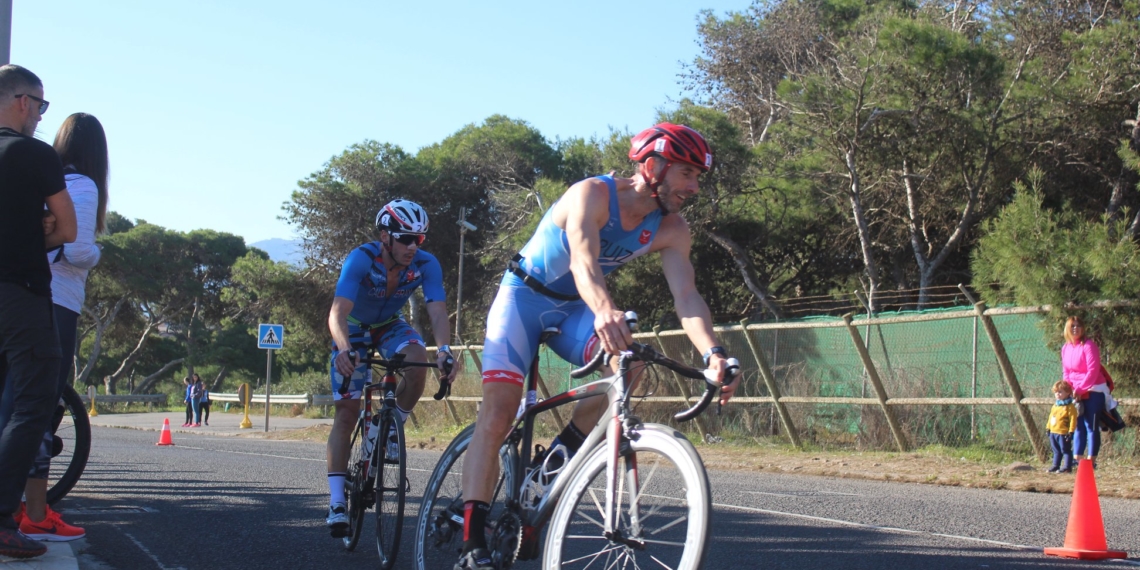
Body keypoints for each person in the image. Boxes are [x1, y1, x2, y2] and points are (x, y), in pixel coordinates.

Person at [454, 123, 739, 570]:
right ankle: (471, 544)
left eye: (698, 177)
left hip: (572, 309)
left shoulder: (672, 228)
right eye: (687, 174)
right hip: (524, 298)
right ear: (652, 166)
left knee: (628, 364)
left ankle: (554, 460)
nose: (694, 187)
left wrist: (713, 353)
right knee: (499, 412)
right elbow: (584, 260)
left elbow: (687, 297)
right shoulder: (591, 194)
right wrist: (606, 310)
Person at [324, 199, 457, 538]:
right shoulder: (361, 259)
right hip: (353, 328)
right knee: (346, 412)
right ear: (385, 236)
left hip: (388, 325)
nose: (414, 246)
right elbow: (337, 313)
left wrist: (444, 351)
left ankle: (391, 425)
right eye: (406, 238)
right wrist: (344, 350)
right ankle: (338, 501)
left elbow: (438, 313)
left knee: (417, 361)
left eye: (420, 239)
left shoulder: (426, 264)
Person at [9, 112, 109, 543]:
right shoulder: (82, 186)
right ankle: (31, 511)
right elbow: (78, 249)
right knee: (39, 410)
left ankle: (25, 507)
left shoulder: (35, 177)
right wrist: (100, 253)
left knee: (16, 404)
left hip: (16, 296)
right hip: (56, 301)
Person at [0, 64, 76, 559]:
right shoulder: (32, 153)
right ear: (23, 102)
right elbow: (68, 229)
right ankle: (3, 520)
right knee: (32, 404)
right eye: (41, 105)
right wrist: (36, 231)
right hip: (21, 291)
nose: (41, 116)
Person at [1061, 316, 1115, 469]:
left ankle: (1091, 461)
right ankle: (1077, 459)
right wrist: (1068, 389)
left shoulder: (1089, 345)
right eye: (1072, 326)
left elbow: (1093, 370)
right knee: (1078, 425)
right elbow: (1066, 371)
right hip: (1075, 392)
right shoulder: (1066, 348)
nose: (1075, 328)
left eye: (1078, 326)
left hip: (1093, 389)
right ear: (1067, 329)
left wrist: (1081, 388)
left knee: (1090, 425)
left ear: (1083, 328)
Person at [1046, 380, 1077, 474]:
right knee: (1056, 450)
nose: (1057, 394)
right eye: (1056, 392)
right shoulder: (1055, 405)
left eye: (1060, 392)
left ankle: (1067, 467)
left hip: (1063, 432)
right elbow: (1051, 416)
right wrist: (1048, 427)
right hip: (1053, 431)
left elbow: (1073, 419)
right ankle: (1056, 465)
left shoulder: (1070, 407)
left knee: (1065, 450)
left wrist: (1071, 431)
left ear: (1068, 392)